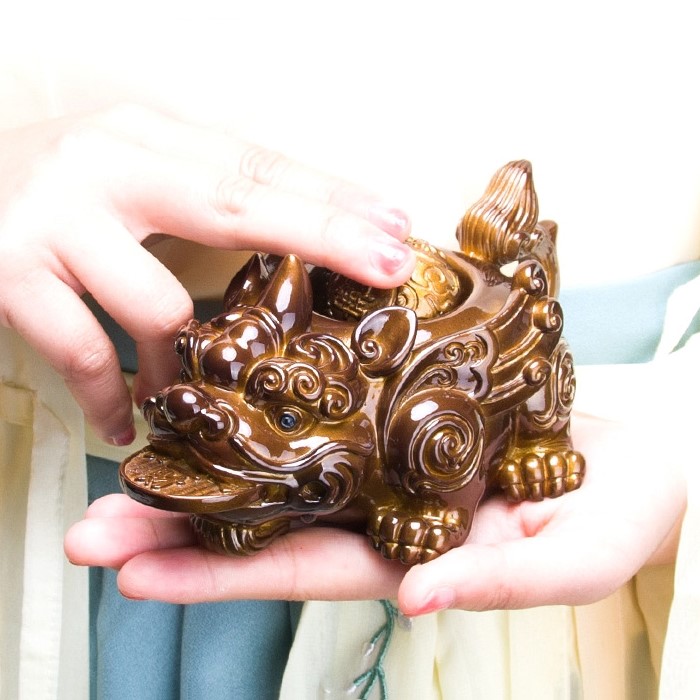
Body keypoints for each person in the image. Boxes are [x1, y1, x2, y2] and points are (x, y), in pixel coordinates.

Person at [3, 2, 700, 698]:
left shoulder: (413, 408)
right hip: (68, 480)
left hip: (595, 560)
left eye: (280, 417)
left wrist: (675, 442)